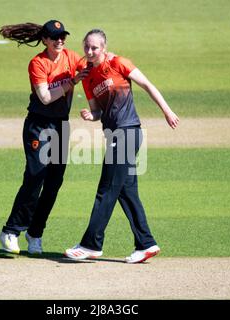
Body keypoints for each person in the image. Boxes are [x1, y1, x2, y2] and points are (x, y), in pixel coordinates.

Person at [64, 29, 179, 263]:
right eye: (87, 47)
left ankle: (90, 245)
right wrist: (91, 115)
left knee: (106, 189)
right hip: (113, 134)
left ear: (104, 47)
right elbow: (98, 110)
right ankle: (146, 243)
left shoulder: (119, 62)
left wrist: (167, 111)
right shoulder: (88, 77)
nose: (90, 51)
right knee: (126, 192)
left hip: (127, 132)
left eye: (95, 47)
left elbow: (147, 85)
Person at [0, 20, 89, 254]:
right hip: (39, 125)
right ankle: (10, 231)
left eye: (62, 37)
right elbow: (46, 97)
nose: (60, 40)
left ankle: (35, 233)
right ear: (45, 40)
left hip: (60, 125)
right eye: (54, 37)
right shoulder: (37, 63)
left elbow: (91, 64)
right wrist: (72, 82)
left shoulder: (71, 56)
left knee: (54, 182)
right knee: (35, 176)